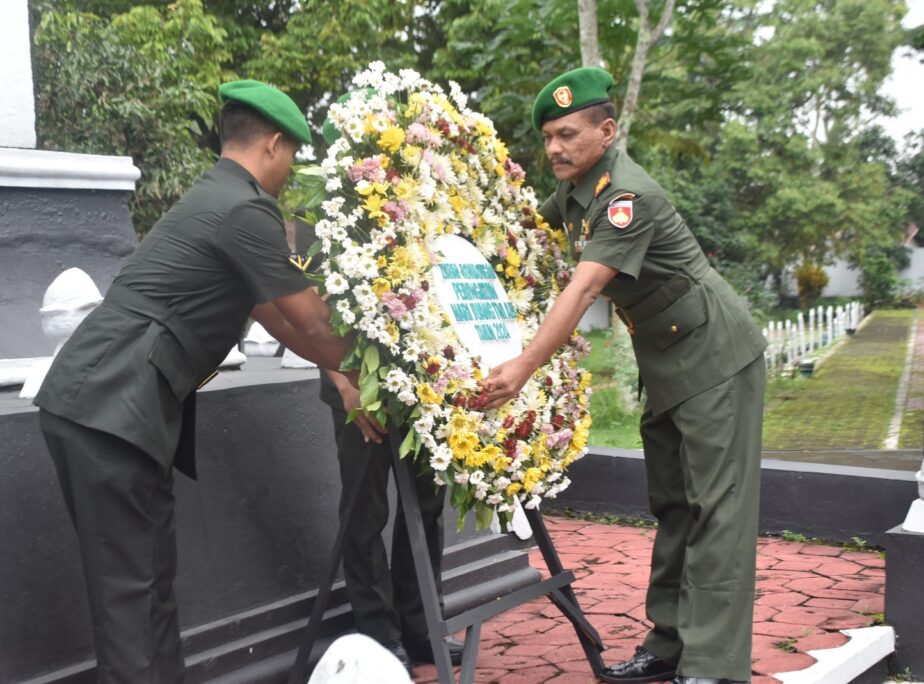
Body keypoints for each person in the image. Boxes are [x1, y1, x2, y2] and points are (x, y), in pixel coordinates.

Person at [35, 79, 357, 683]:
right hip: (108, 411)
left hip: (115, 410)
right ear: (273, 143)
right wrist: (383, 370)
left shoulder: (218, 196)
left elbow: (270, 313)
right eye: (292, 156)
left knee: (150, 583)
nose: (290, 170)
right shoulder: (245, 209)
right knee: (130, 602)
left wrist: (339, 371)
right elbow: (312, 315)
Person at [481, 67, 767, 684]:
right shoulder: (579, 189)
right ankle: (669, 649)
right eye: (548, 137)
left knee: (717, 510)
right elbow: (523, 234)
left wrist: (525, 366)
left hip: (716, 358)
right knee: (673, 505)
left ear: (606, 131)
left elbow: (584, 287)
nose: (554, 148)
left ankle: (715, 666)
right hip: (668, 361)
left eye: (568, 134)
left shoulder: (625, 197)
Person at [311, 105, 464, 669]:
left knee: (426, 506)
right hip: (357, 389)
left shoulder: (417, 210)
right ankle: (377, 633)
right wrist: (346, 386)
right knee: (365, 507)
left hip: (420, 386)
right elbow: (310, 320)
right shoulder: (325, 218)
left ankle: (423, 624)